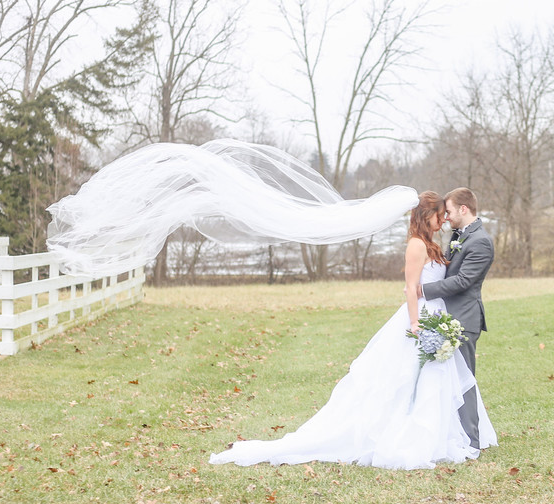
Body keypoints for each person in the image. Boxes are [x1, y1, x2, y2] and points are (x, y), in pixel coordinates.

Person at [209, 191, 497, 470]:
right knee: (411, 379)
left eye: (446, 214)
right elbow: (411, 288)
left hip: (442, 315)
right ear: (427, 215)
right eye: (439, 214)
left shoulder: (436, 243)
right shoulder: (417, 245)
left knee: (439, 380)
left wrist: (425, 296)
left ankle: (446, 434)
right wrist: (414, 323)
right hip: (421, 318)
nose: (444, 219)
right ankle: (415, 435)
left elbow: (454, 280)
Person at [420, 187, 495, 450]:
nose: (447, 217)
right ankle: (454, 434)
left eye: (449, 211)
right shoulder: (458, 235)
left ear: (464, 209)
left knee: (465, 381)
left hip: (464, 319)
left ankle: (472, 441)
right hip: (447, 317)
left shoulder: (480, 242)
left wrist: (423, 290)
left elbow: (463, 281)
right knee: (448, 379)